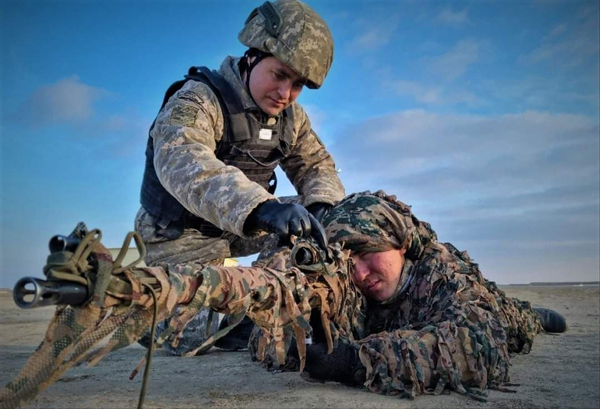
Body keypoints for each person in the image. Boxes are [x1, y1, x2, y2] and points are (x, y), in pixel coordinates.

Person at [135, 0, 344, 354]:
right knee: (193, 340)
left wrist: (322, 207)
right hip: (183, 231)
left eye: (298, 85)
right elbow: (183, 160)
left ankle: (259, 304)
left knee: (321, 222)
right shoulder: (200, 99)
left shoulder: (292, 118)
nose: (285, 94)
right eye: (279, 74)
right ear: (252, 56)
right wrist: (261, 208)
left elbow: (316, 166)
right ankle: (144, 308)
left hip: (241, 227)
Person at [252, 190, 567, 400]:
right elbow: (269, 331)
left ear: (401, 244)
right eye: (350, 261)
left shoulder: (441, 271)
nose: (360, 274)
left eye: (368, 253)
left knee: (511, 319)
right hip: (407, 329)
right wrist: (297, 341)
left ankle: (530, 315)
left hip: (484, 311)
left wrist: (350, 362)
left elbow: (473, 345)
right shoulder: (344, 285)